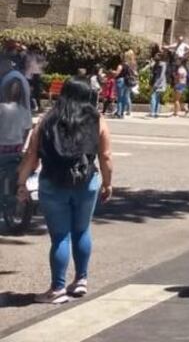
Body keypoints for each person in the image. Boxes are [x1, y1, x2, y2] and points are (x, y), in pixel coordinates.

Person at [16, 78, 112, 304]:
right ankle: (81, 280)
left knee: (60, 237)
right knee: (82, 231)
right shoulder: (97, 119)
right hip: (86, 182)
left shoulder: (46, 119)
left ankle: (57, 288)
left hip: (52, 182)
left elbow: (31, 156)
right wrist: (107, 183)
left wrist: (21, 184)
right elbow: (105, 156)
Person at [113, 50, 137, 119]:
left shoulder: (121, 65)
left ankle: (119, 113)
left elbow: (117, 73)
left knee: (120, 98)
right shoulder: (130, 65)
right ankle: (122, 112)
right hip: (127, 82)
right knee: (124, 98)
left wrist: (113, 73)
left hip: (120, 81)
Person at [148, 53, 168, 119]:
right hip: (159, 83)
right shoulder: (156, 64)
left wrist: (156, 84)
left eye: (156, 56)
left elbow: (161, 76)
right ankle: (156, 113)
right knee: (157, 98)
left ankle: (153, 113)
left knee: (153, 97)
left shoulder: (162, 64)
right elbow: (151, 71)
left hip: (158, 83)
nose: (155, 56)